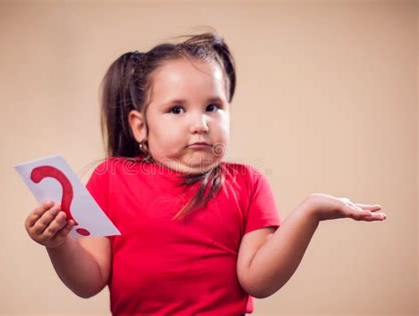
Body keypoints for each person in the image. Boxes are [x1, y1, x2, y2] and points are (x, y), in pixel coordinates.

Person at [24, 32, 387, 315]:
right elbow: (90, 281)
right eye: (177, 109)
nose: (200, 124)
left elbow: (257, 280)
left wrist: (310, 210)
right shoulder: (110, 179)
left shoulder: (248, 184)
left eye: (213, 106)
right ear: (139, 126)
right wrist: (59, 244)